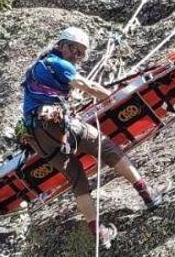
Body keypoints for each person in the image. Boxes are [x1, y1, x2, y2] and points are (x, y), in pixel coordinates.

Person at [21, 26, 166, 248]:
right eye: (73, 49)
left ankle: (99, 233)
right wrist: (113, 95)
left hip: (40, 139)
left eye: (80, 53)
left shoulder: (37, 68)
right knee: (108, 148)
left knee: (77, 179)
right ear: (60, 45)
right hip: (58, 126)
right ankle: (147, 193)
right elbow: (87, 86)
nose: (75, 56)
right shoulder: (58, 63)